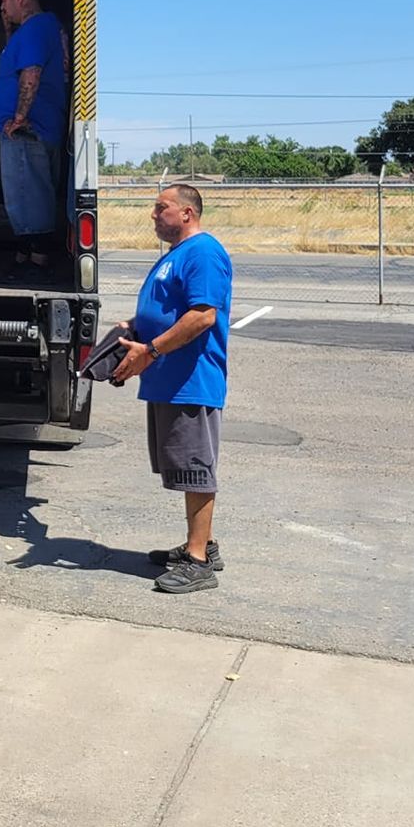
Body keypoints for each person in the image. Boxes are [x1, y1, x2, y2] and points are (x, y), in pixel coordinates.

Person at [111, 185, 233, 595]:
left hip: (191, 380)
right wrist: (134, 329)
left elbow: (202, 316)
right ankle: (201, 545)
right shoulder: (176, 255)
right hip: (167, 378)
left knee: (196, 467)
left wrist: (151, 349)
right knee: (182, 466)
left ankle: (198, 562)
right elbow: (169, 310)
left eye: (160, 208)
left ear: (186, 213)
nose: (152, 215)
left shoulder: (202, 252)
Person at [0, 0, 69, 264]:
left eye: (4, 0)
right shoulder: (41, 30)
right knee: (32, 192)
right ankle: (28, 257)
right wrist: (9, 31)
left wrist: (19, 117)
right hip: (40, 128)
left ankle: (36, 262)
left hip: (27, 131)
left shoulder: (36, 29)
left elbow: (31, 72)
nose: (2, 6)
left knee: (27, 196)